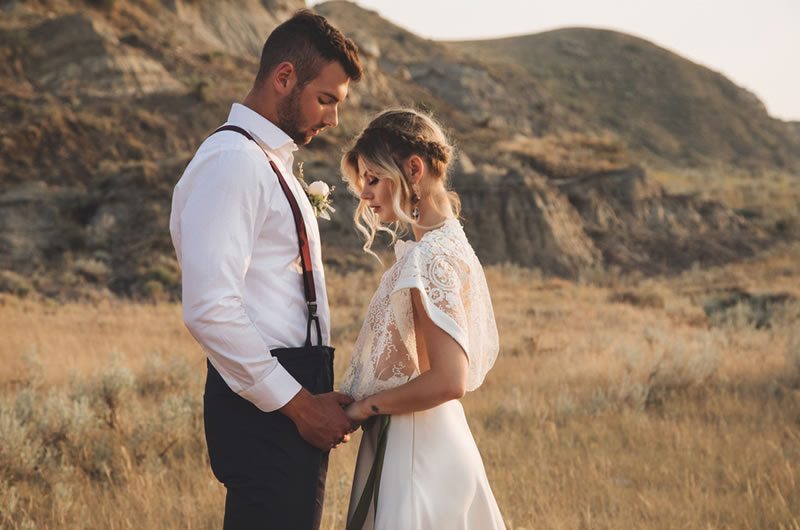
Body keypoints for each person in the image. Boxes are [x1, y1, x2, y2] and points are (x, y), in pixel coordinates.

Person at [168, 10, 363, 530]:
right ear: (284, 78)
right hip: (270, 408)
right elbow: (210, 310)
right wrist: (301, 406)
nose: (333, 121)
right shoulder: (232, 161)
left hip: (289, 391)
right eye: (326, 99)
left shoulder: (267, 160)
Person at [339, 109, 506, 530]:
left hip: (417, 451)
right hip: (431, 439)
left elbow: (449, 379)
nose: (365, 195)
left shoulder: (431, 258)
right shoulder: (447, 243)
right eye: (363, 183)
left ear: (414, 168)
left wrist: (363, 408)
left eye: (373, 179)